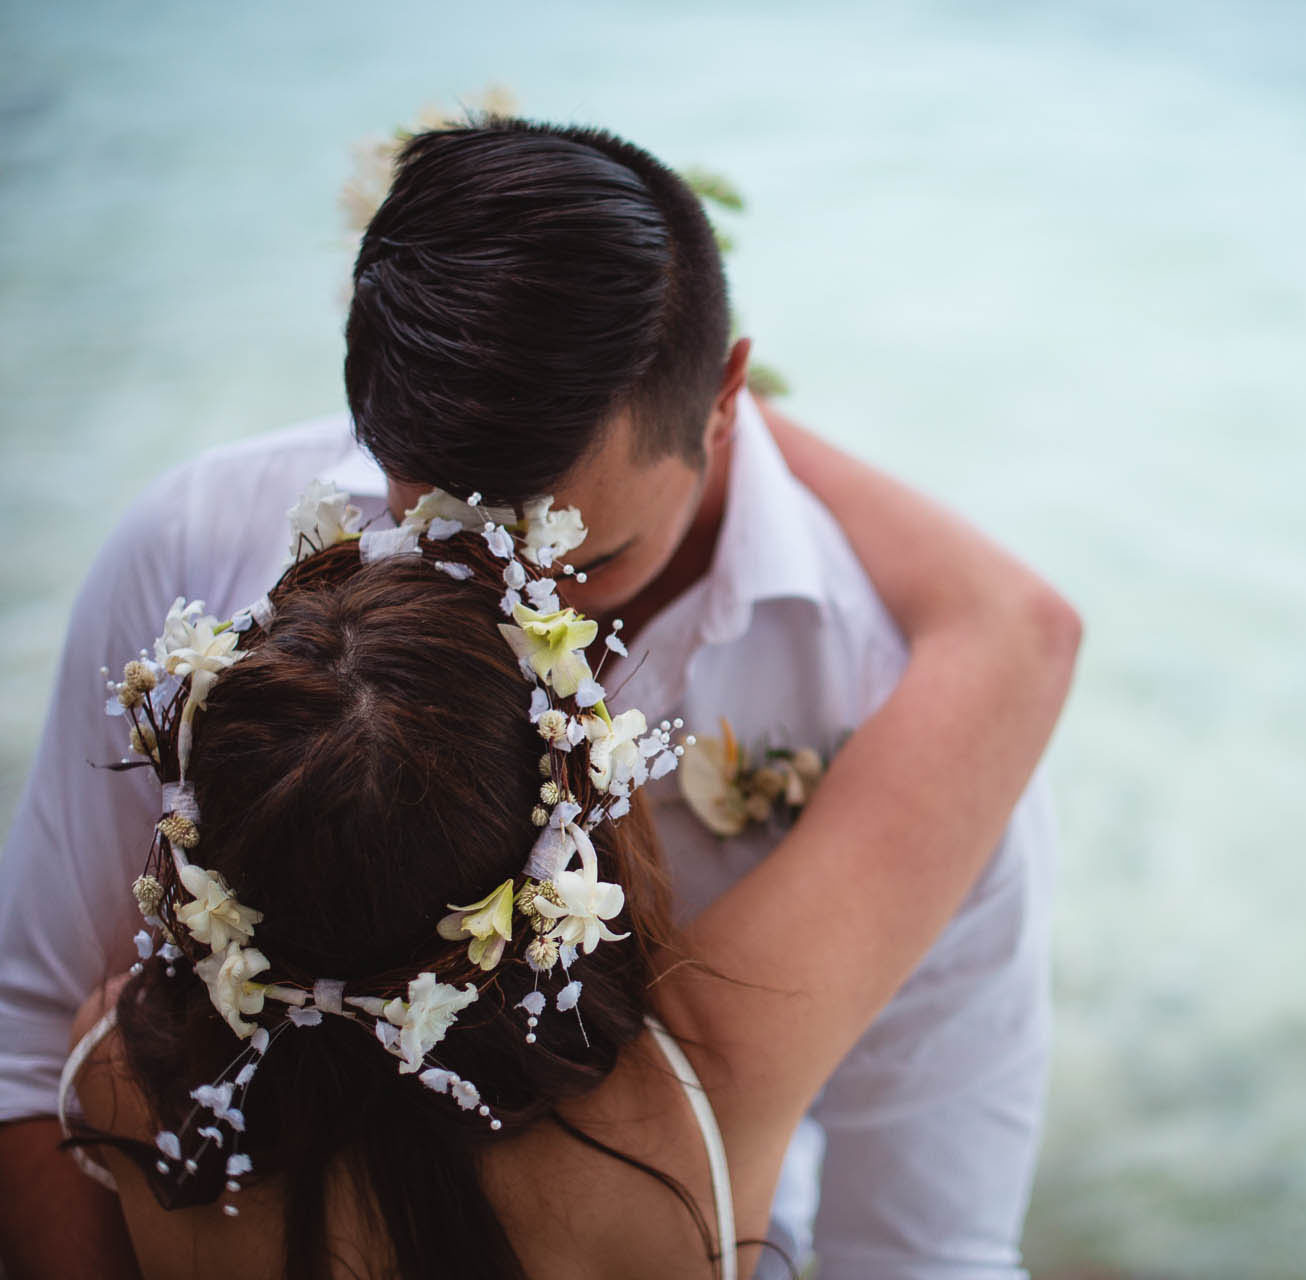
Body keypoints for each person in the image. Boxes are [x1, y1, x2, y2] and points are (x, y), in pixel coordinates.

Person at [0, 116, 1065, 1277]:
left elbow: (922, 1246)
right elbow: (19, 1035)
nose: (520, 635)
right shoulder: (194, 549)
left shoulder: (885, 702)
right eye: (450, 548)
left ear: (721, 399)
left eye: (585, 563)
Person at [57, 456, 1078, 1277]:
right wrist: (732, 422)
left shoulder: (120, 1078)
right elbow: (1018, 637)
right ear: (574, 819)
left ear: (215, 852)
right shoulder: (699, 1100)